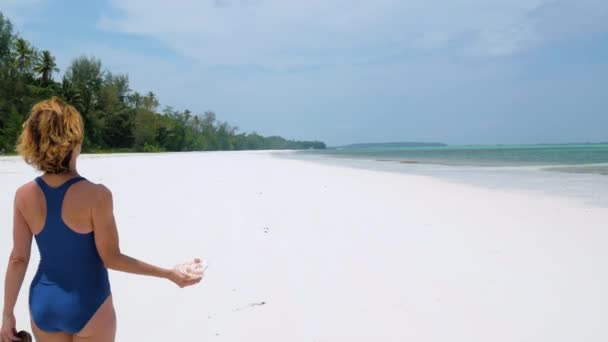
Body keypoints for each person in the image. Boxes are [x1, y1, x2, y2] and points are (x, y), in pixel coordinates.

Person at [1, 97, 202, 342]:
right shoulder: (97, 196)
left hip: (44, 303)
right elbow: (111, 258)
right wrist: (169, 274)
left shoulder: (23, 196)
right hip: (89, 303)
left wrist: (7, 314)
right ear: (75, 141)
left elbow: (18, 258)